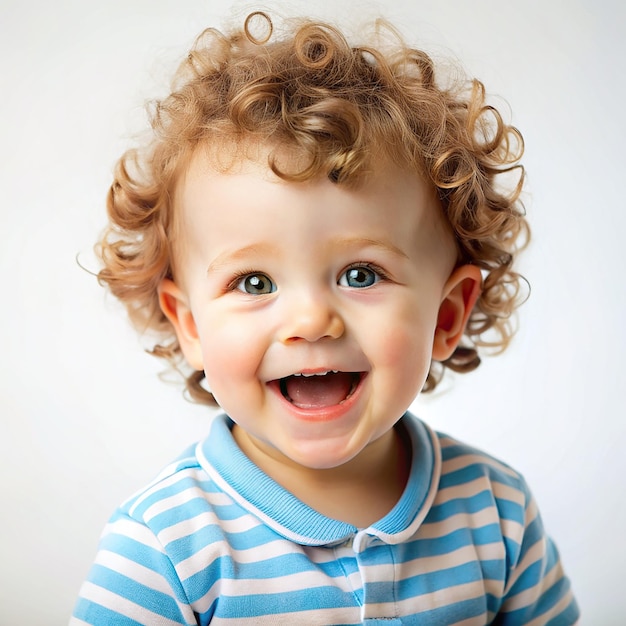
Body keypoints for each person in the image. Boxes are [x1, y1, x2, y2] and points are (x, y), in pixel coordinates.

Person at [71, 11, 579, 625]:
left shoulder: (496, 513)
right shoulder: (164, 550)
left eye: (360, 275)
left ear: (446, 316)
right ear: (191, 326)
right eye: (254, 282)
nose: (311, 320)